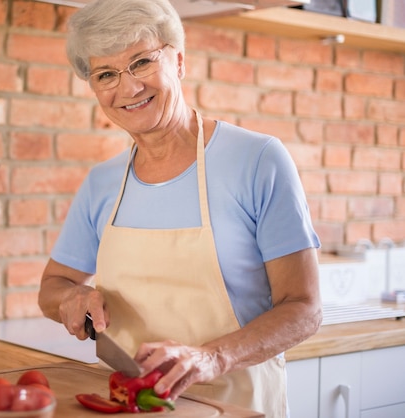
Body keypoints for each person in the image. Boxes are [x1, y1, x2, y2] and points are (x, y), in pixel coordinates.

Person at [37, 0, 322, 416]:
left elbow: (304, 308)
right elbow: (52, 286)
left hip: (237, 405)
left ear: (180, 60)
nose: (129, 87)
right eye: (106, 74)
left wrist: (210, 358)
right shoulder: (102, 182)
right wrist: (72, 298)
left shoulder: (258, 159)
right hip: (134, 405)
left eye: (141, 62)